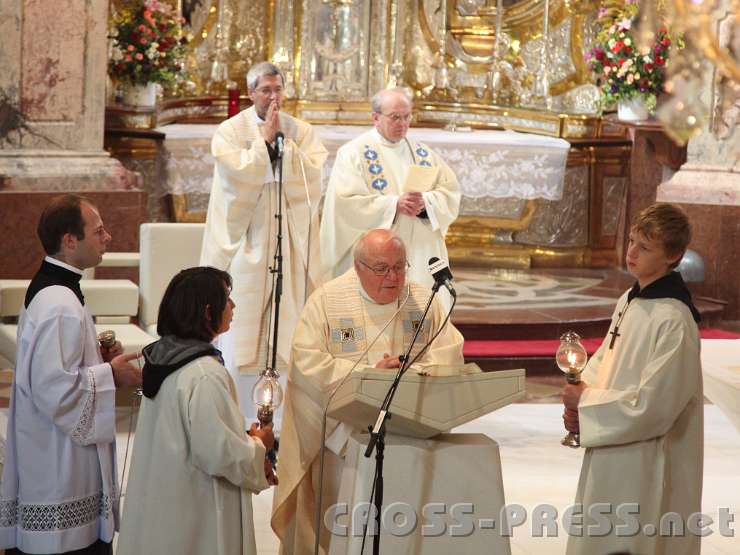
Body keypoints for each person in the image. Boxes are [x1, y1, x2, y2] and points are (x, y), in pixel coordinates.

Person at [271, 229, 464, 554]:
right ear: (358, 266)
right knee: (343, 531)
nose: (393, 277)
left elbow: (449, 353)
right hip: (340, 444)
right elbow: (307, 364)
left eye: (400, 267)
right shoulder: (328, 302)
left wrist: (408, 375)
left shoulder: (422, 300)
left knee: (401, 532)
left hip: (407, 439)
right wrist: (368, 377)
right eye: (382, 268)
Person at [0, 195, 142, 555]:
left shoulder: (58, 289)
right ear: (69, 241)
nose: (108, 237)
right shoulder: (59, 303)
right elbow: (55, 390)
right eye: (99, 231)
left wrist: (95, 354)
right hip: (58, 466)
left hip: (52, 455)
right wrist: (110, 373)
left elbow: (57, 365)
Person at [562, 203, 703, 555]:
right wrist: (580, 395)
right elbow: (605, 360)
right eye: (631, 241)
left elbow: (655, 408)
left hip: (646, 462)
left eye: (645, 246)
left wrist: (588, 405)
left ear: (674, 255)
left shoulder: (674, 320)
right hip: (613, 445)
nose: (631, 252)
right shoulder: (631, 298)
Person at [200, 61, 328, 419]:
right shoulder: (230, 131)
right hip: (247, 241)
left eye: (278, 90)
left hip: (287, 239)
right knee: (244, 326)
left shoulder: (299, 131)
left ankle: (282, 420)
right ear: (251, 92)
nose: (273, 98)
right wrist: (265, 145)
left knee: (286, 325)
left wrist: (285, 151)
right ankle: (240, 415)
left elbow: (313, 175)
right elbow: (233, 177)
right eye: (265, 90)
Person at [117, 267, 276, 555]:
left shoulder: (165, 358)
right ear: (206, 312)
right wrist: (259, 446)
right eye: (227, 298)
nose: (233, 305)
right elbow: (219, 453)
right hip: (196, 511)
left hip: (166, 500)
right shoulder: (203, 373)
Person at [320, 87, 461, 300]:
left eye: (407, 117)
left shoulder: (422, 153)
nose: (402, 123)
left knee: (420, 315)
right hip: (378, 254)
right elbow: (344, 205)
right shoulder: (353, 154)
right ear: (376, 117)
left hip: (419, 251)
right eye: (395, 117)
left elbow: (449, 192)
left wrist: (426, 203)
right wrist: (394, 204)